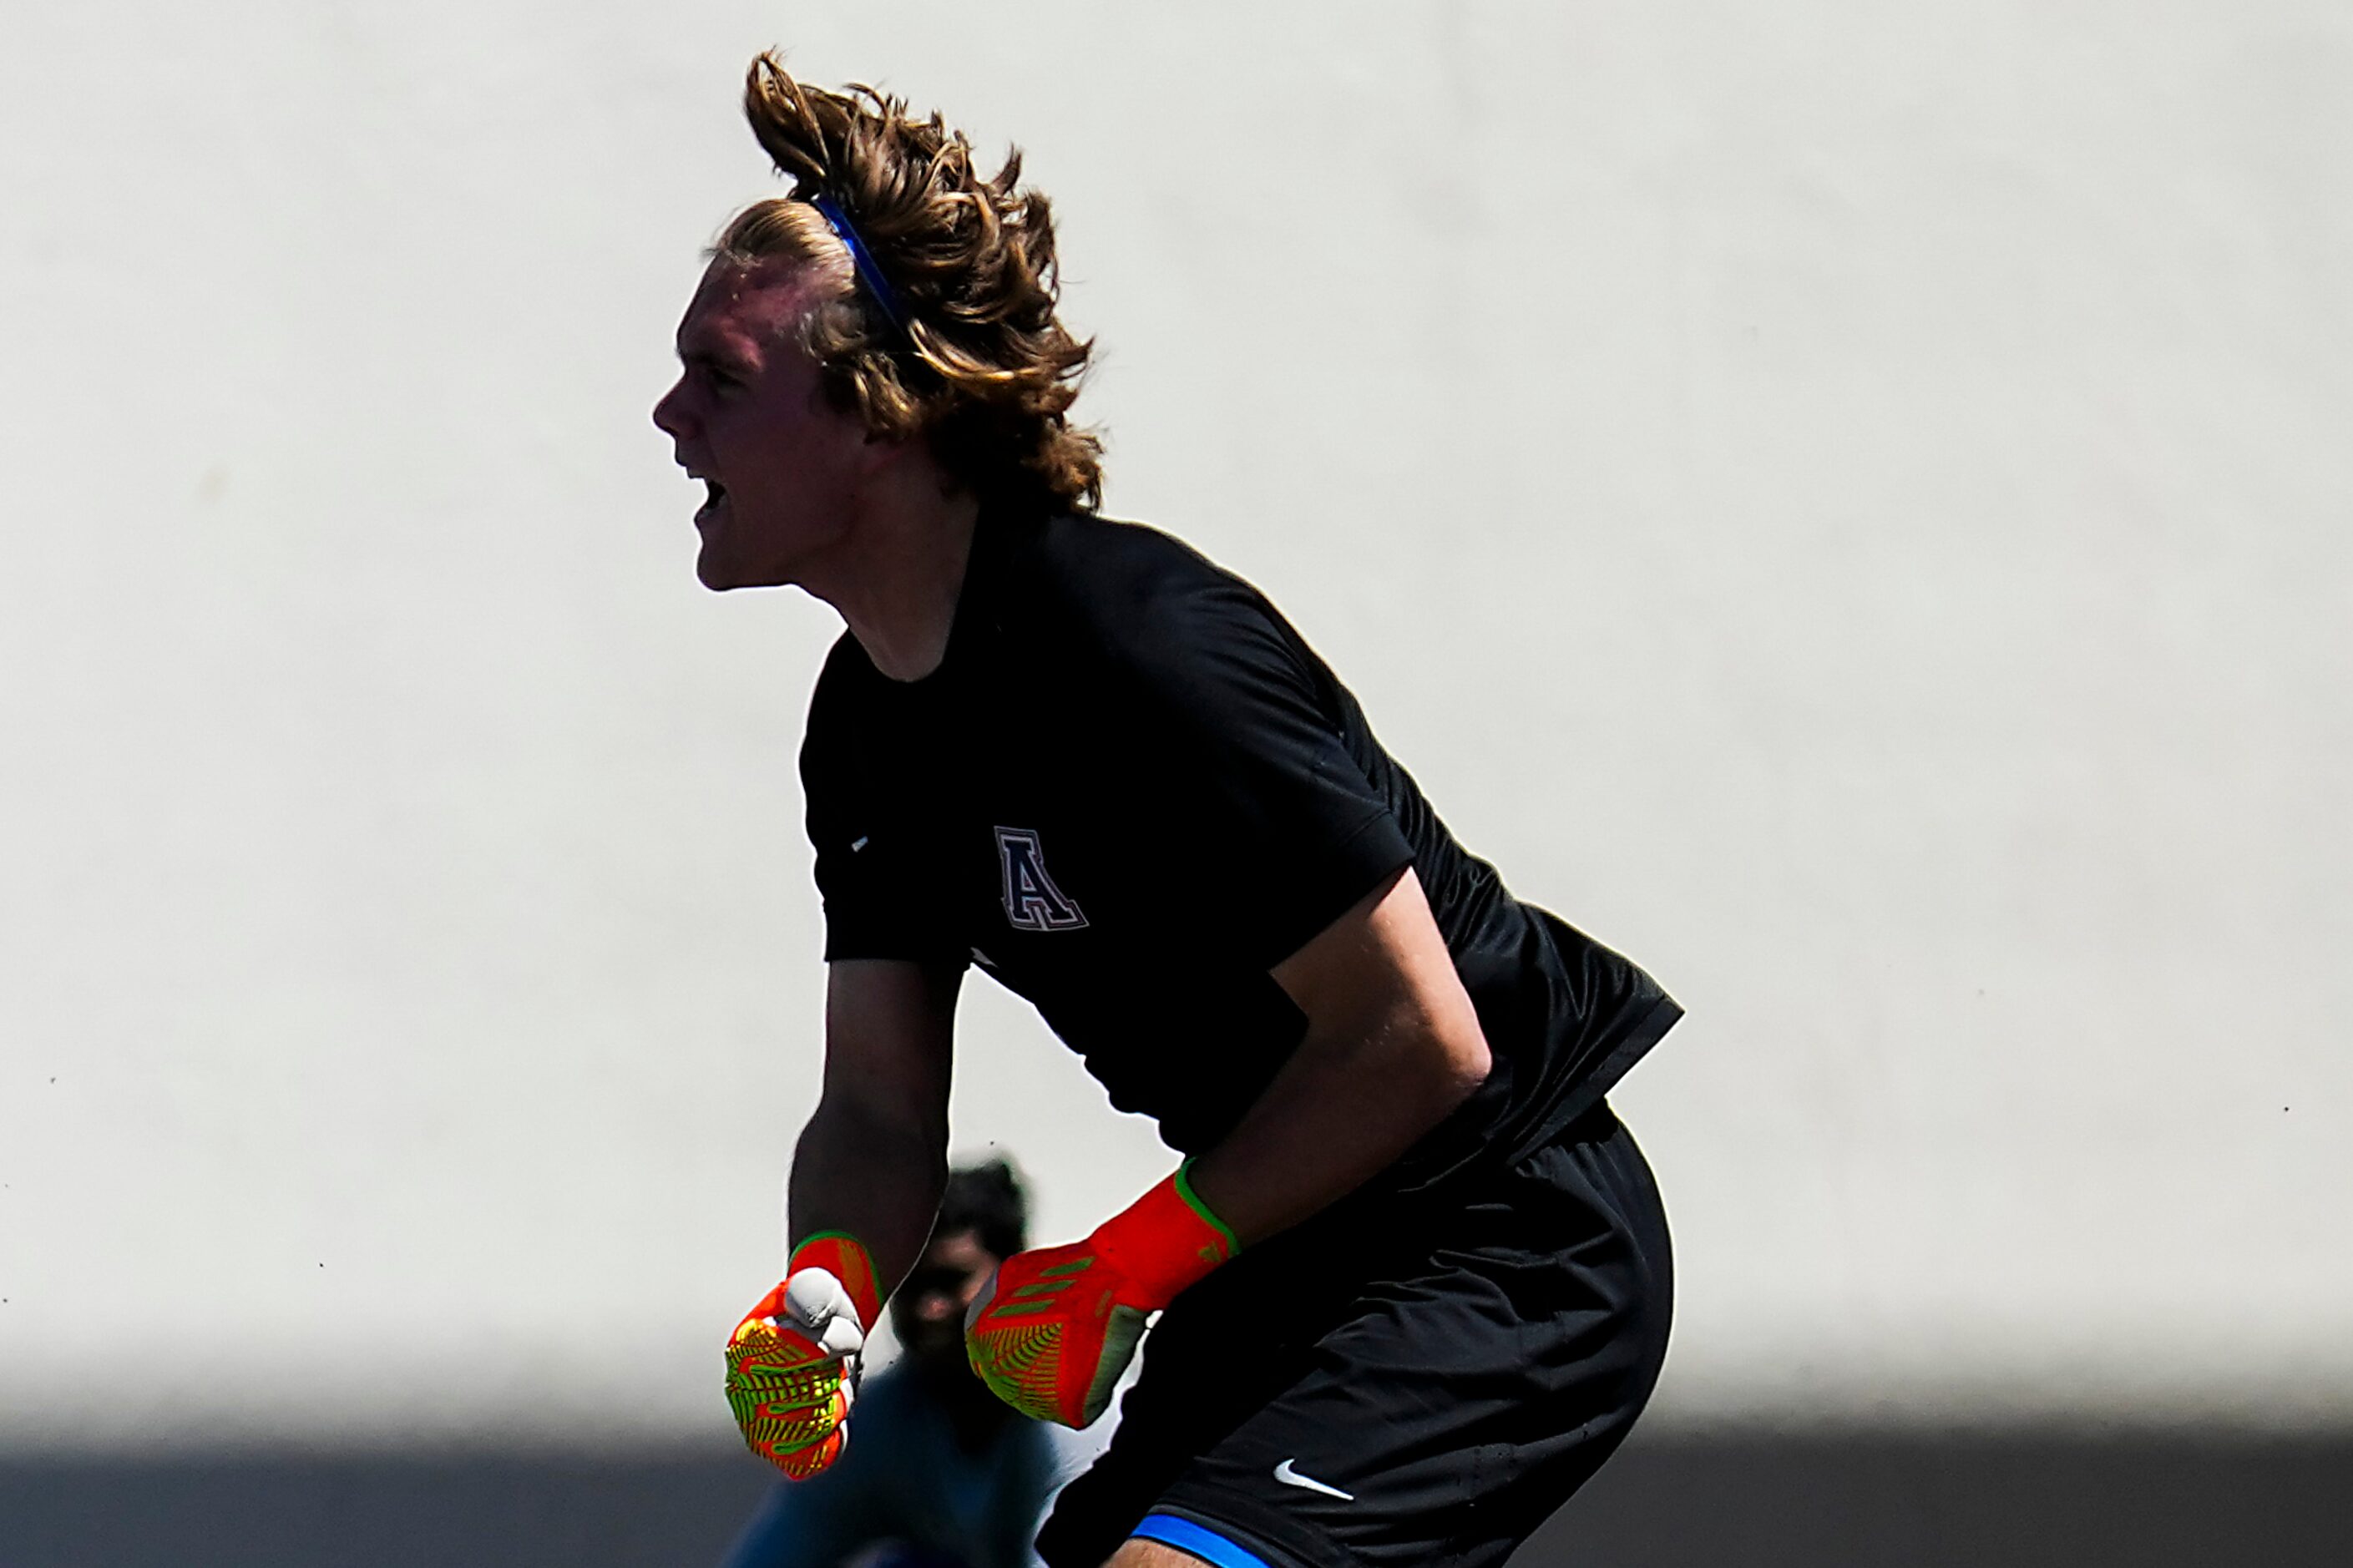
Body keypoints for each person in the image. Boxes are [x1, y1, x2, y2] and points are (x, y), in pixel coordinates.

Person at [657, 56, 1683, 1568]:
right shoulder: (861, 727)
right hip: (1281, 1245)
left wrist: (1120, 1266)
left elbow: (1420, 1038)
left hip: (1500, 1233)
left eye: (723, 379)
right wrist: (820, 1297)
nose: (669, 413)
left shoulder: (1139, 645)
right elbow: (878, 1108)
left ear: (878, 415)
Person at [721, 1161, 1110, 1568]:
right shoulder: (884, 1422)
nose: (929, 1310)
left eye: (950, 1281)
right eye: (911, 1285)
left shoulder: (1073, 1412)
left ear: (1014, 1279)